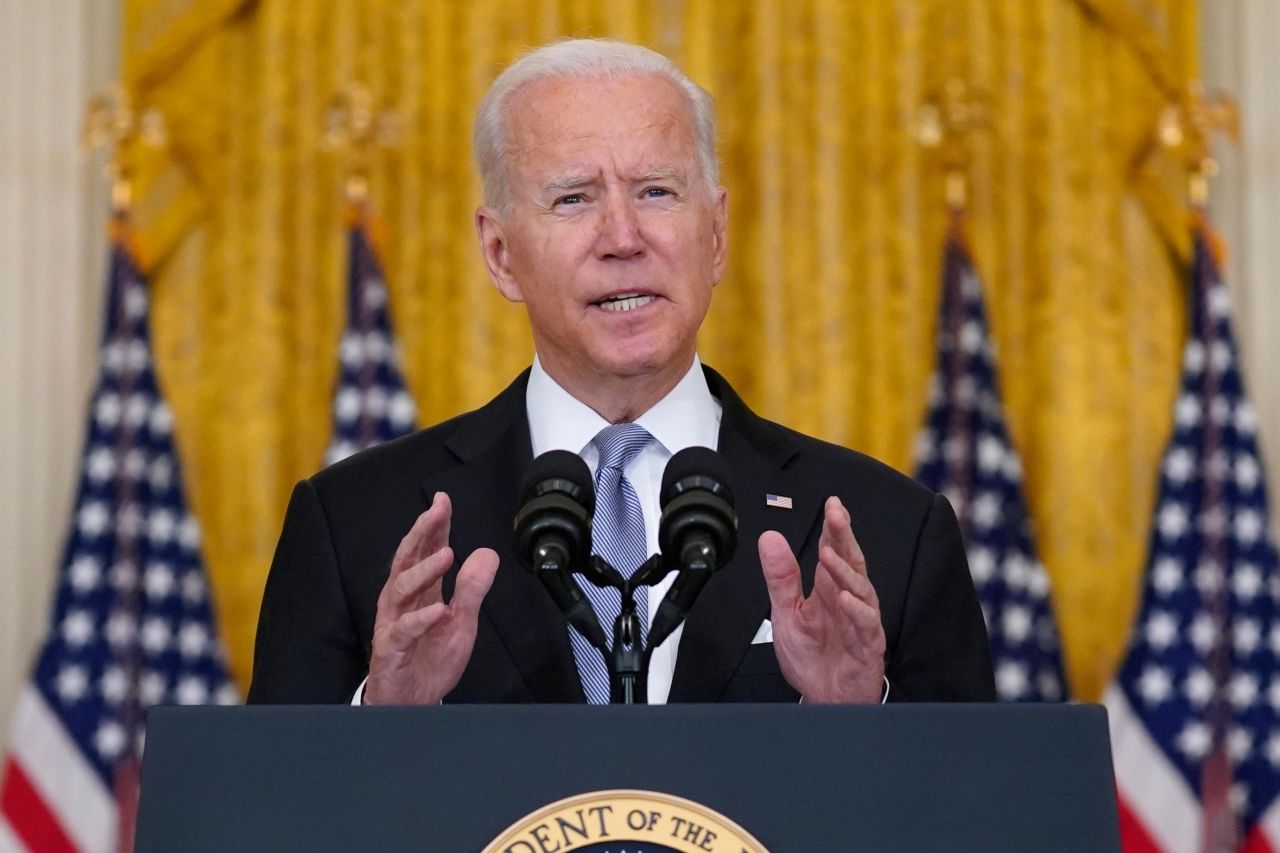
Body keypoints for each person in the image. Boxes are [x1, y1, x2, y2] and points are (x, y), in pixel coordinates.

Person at [247, 39, 995, 706]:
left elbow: (973, 816)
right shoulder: (355, 528)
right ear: (500, 253)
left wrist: (855, 728)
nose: (623, 237)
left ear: (717, 234)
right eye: (574, 198)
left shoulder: (890, 533)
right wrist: (384, 724)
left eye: (656, 191)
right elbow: (267, 817)